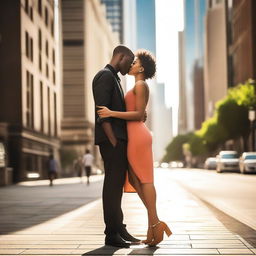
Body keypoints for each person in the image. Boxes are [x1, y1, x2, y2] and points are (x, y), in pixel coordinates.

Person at [97, 50, 172, 246]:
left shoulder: (140, 84)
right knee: (137, 180)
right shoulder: (130, 84)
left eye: (135, 61)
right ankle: (153, 226)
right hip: (134, 135)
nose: (131, 64)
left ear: (141, 68)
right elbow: (138, 112)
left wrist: (111, 113)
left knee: (144, 180)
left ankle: (156, 223)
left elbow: (138, 114)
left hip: (137, 136)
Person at [92, 45, 141, 248]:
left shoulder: (113, 77)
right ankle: (111, 234)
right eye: (128, 62)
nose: (129, 66)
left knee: (116, 187)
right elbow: (102, 114)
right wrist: (114, 142)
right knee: (112, 187)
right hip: (111, 141)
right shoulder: (104, 76)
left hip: (117, 141)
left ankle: (118, 227)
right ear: (120, 56)